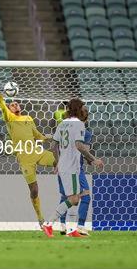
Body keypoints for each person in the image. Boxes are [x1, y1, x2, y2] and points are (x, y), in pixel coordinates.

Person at [0, 77, 55, 227]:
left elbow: (37, 135)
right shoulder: (9, 118)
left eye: (15, 103)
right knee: (34, 190)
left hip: (37, 151)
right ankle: (40, 218)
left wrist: (49, 137)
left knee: (60, 160)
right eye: (11, 104)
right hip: (24, 157)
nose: (14, 104)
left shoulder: (28, 118)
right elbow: (1, 103)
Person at [42, 98, 103, 238]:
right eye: (83, 107)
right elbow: (79, 146)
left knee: (73, 197)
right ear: (78, 109)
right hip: (72, 166)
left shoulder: (62, 124)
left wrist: (57, 162)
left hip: (63, 165)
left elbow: (53, 146)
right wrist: (94, 160)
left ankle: (71, 229)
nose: (84, 110)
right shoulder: (79, 125)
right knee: (74, 199)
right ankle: (48, 223)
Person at [58, 104, 92, 236]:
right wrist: (92, 160)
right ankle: (81, 226)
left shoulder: (64, 128)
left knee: (66, 196)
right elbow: (84, 151)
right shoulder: (86, 133)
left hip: (62, 166)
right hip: (75, 168)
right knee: (86, 196)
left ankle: (62, 225)